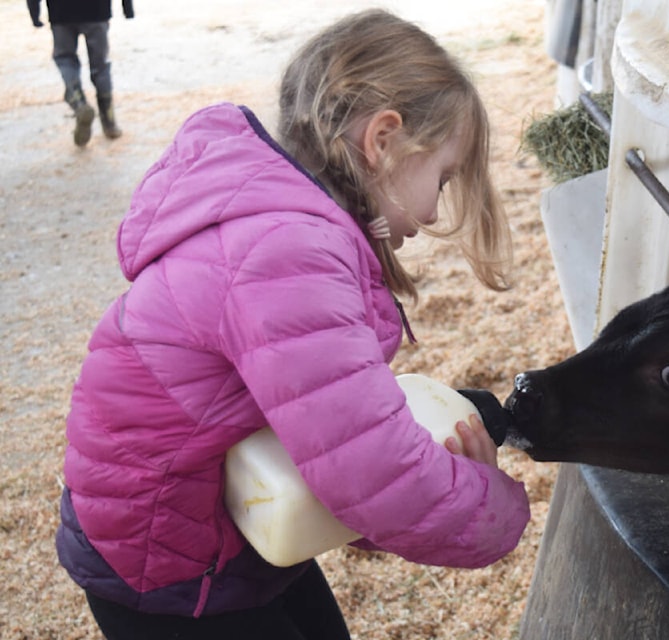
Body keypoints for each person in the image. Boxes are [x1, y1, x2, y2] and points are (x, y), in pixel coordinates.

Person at [54, 9, 530, 640]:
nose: (434, 209)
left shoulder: (283, 220)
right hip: (168, 557)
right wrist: (491, 502)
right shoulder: (286, 251)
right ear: (384, 139)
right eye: (441, 178)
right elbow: (371, 473)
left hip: (219, 517)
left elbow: (330, 437)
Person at [28, 0, 134, 146]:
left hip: (61, 13)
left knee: (66, 59)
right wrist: (127, 9)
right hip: (97, 11)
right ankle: (109, 124)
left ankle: (78, 102)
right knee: (101, 67)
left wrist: (34, 13)